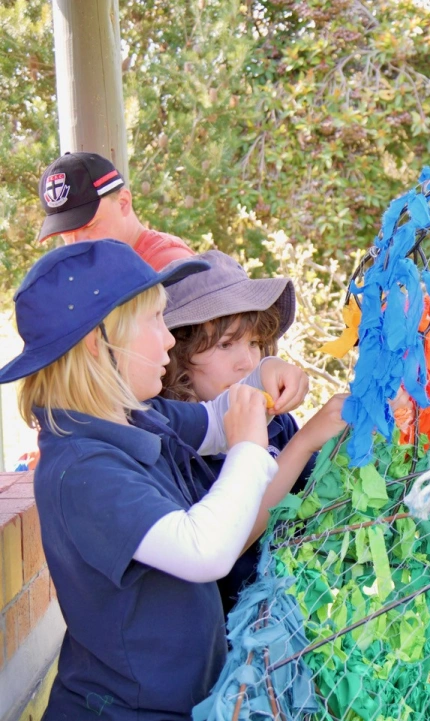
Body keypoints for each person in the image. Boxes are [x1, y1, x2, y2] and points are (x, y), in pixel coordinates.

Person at [1, 240, 342, 720]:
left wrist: (264, 371)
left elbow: (215, 417)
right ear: (100, 343)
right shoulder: (82, 469)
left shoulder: (134, 416)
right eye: (156, 321)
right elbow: (204, 550)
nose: (168, 339)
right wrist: (247, 448)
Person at [159, 249, 330, 613]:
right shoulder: (174, 445)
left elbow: (318, 495)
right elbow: (228, 540)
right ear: (176, 356)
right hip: (231, 647)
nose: (247, 361)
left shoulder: (276, 420)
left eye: (254, 343)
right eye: (225, 345)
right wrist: (303, 443)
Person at [38, 151, 196, 270]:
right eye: (67, 234)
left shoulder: (170, 267)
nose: (77, 244)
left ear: (123, 203)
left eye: (89, 226)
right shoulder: (94, 269)